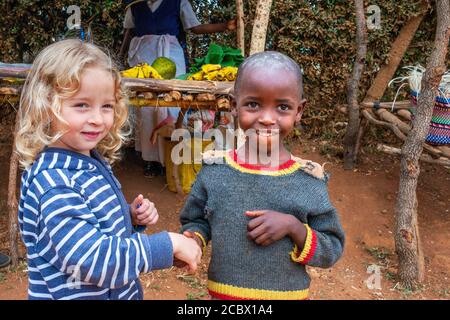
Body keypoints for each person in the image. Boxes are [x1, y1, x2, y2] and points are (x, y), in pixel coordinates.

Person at [15, 39, 201, 300]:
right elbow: (92, 260)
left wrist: (129, 217)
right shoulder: (54, 182)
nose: (97, 118)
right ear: (46, 105)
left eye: (107, 106)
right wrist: (166, 245)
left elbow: (86, 221)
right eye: (81, 105)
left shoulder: (86, 160)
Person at [179, 51, 345, 300]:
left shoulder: (308, 181)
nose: (267, 118)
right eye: (253, 104)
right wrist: (194, 239)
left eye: (282, 107)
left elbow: (332, 247)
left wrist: (294, 227)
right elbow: (195, 220)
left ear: (299, 111)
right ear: (234, 105)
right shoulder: (215, 171)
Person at [118, 0, 236, 177]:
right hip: (143, 56)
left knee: (172, 103)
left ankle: (172, 156)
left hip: (171, 55)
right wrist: (119, 55)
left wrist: (224, 26)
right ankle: (151, 160)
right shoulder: (134, 6)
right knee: (147, 107)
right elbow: (129, 31)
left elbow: (195, 28)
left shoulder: (179, 2)